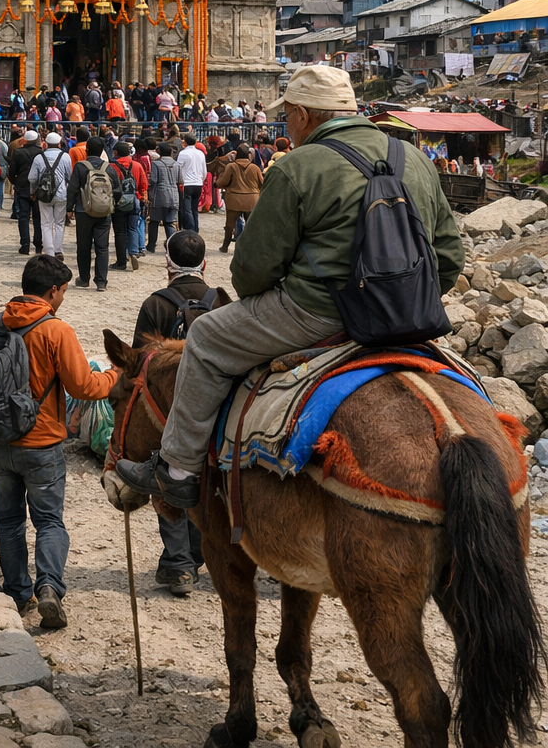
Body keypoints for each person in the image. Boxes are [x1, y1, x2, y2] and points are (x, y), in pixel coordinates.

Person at [116, 64, 465, 510]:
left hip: (315, 313)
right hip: (409, 316)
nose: (286, 125)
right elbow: (450, 258)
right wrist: (404, 301)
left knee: (204, 337)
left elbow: (252, 273)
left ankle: (179, 469)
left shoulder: (298, 166)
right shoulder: (414, 158)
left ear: (302, 115)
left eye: (287, 116)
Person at [0, 255, 118, 626]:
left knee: (8, 520)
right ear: (52, 291)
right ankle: (50, 588)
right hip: (41, 445)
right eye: (64, 292)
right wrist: (114, 378)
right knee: (50, 521)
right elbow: (84, 387)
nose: (64, 299)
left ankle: (17, 593)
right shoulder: (56, 330)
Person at [132, 231, 209, 597]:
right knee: (203, 479)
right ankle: (194, 555)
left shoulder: (154, 305)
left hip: (165, 413)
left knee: (167, 478)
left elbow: (138, 363)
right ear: (204, 265)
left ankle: (178, 565)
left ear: (168, 265)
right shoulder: (221, 301)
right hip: (211, 410)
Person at [65, 136, 119, 290]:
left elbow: (73, 189)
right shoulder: (108, 168)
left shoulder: (80, 167)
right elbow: (118, 190)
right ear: (102, 150)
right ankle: (101, 281)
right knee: (102, 248)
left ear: (87, 150)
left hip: (83, 212)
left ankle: (84, 278)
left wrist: (69, 208)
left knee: (83, 246)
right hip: (104, 213)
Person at [215, 144, 264, 253]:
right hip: (252, 200)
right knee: (251, 225)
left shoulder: (231, 166)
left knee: (229, 225)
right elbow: (262, 183)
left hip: (234, 199)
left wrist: (217, 182)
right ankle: (250, 248)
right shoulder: (254, 168)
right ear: (248, 155)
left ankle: (225, 247)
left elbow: (223, 182)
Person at [28, 132, 71, 257]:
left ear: (46, 143)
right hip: (61, 194)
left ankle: (49, 252)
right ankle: (58, 249)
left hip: (44, 194)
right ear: (59, 143)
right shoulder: (65, 157)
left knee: (46, 223)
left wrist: (33, 191)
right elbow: (69, 176)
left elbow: (32, 178)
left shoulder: (39, 157)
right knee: (59, 223)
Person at [111, 141, 148, 270]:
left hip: (119, 202)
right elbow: (144, 185)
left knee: (120, 231)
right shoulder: (137, 165)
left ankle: (121, 261)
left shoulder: (112, 166)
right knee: (133, 228)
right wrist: (143, 198)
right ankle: (133, 252)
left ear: (116, 153)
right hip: (134, 200)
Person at [9, 129, 45, 255]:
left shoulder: (18, 152)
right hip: (37, 188)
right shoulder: (41, 152)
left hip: (22, 186)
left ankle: (25, 245)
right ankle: (38, 245)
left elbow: (12, 170)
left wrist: (15, 182)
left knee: (23, 216)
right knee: (37, 217)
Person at [146, 142, 181, 251]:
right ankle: (172, 248)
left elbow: (154, 180)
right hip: (174, 195)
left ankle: (151, 246)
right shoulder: (177, 164)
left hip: (159, 196)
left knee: (154, 221)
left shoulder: (156, 164)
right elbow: (180, 180)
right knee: (170, 223)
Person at [175, 134, 208, 233]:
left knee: (187, 209)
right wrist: (201, 179)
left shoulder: (183, 154)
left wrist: (179, 181)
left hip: (187, 184)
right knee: (194, 210)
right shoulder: (200, 154)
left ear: (185, 142)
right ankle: (195, 229)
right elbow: (204, 171)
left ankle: (191, 229)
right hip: (198, 183)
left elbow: (178, 169)